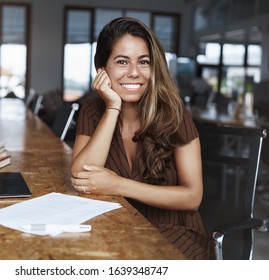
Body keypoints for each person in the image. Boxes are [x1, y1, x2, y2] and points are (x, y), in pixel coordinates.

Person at [69, 17, 211, 260]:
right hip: (116, 228)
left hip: (174, 233)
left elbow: (192, 197)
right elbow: (81, 176)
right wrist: (112, 108)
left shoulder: (174, 113)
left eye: (143, 62)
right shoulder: (93, 110)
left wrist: (119, 185)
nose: (134, 73)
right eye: (122, 61)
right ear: (102, 69)